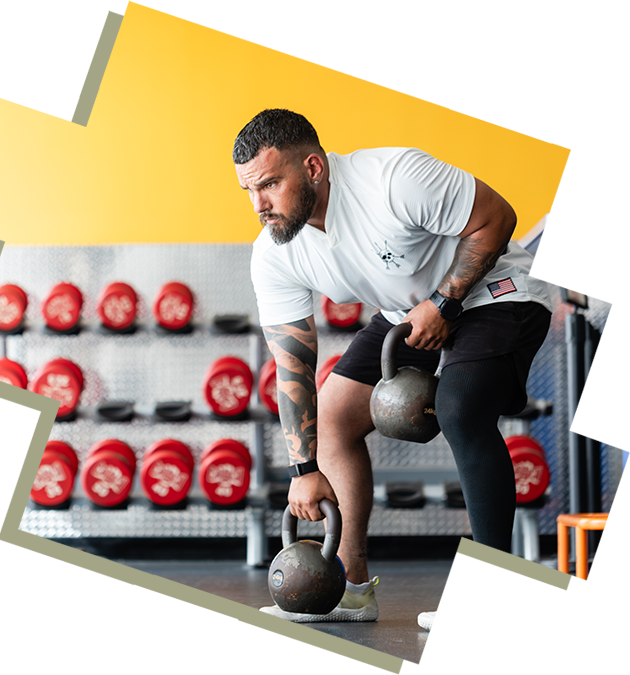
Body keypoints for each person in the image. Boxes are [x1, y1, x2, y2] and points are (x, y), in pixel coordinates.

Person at [233, 109, 552, 623]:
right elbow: (292, 365)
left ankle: (498, 595)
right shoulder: (275, 253)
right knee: (334, 416)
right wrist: (304, 468)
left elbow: (498, 218)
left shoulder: (392, 180)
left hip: (496, 292)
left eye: (270, 184)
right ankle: (351, 587)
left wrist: (444, 304)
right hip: (410, 313)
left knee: (460, 407)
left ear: (313, 167)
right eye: (249, 190)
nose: (259, 205)